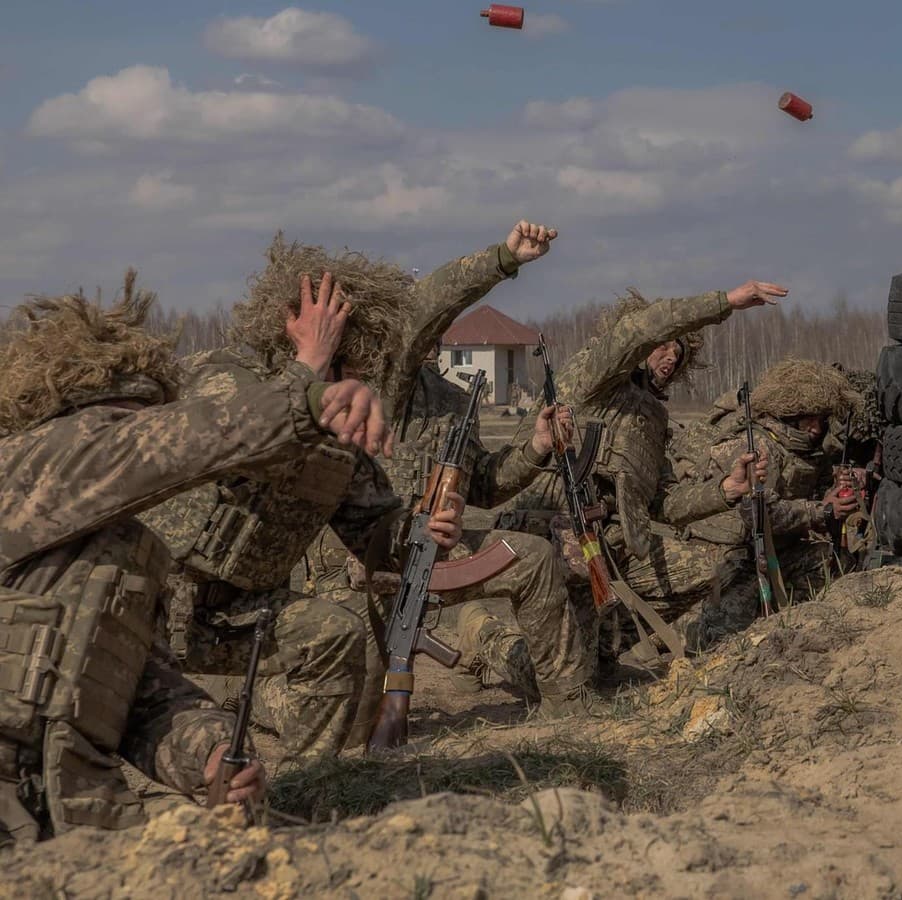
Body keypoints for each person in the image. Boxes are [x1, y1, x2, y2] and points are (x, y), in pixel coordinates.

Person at [0, 274, 390, 845]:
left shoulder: (125, 554)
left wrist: (211, 754)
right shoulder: (29, 469)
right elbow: (171, 443)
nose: (134, 438)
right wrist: (307, 385)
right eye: (123, 420)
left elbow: (140, 695)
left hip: (67, 828)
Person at [139, 245, 463, 760]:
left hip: (231, 617)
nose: (352, 377)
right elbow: (245, 430)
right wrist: (308, 366)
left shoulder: (337, 444)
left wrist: (425, 534)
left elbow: (379, 534)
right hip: (142, 608)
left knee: (334, 635)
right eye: (343, 359)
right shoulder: (221, 373)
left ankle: (305, 791)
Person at [302, 221, 594, 730]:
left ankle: (568, 708)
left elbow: (484, 483)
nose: (431, 337)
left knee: (533, 557)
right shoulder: (350, 390)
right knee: (356, 728)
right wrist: (504, 258)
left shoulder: (451, 399)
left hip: (440, 553)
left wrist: (536, 447)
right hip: (355, 570)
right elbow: (435, 298)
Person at [501, 281, 782, 680]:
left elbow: (663, 500)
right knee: (550, 680)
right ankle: (487, 637)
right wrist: (725, 303)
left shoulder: (653, 417)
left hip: (608, 545)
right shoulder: (595, 378)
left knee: (701, 568)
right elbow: (636, 331)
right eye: (663, 347)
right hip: (549, 537)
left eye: (677, 355)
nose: (670, 358)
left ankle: (604, 647)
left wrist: (726, 490)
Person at [681, 360, 863, 640]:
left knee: (834, 562)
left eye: (821, 419)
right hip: (731, 556)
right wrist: (822, 511)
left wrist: (833, 500)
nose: (816, 428)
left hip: (776, 550)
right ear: (790, 413)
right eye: (809, 418)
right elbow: (762, 513)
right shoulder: (758, 446)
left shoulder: (810, 453)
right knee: (718, 638)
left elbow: (816, 504)